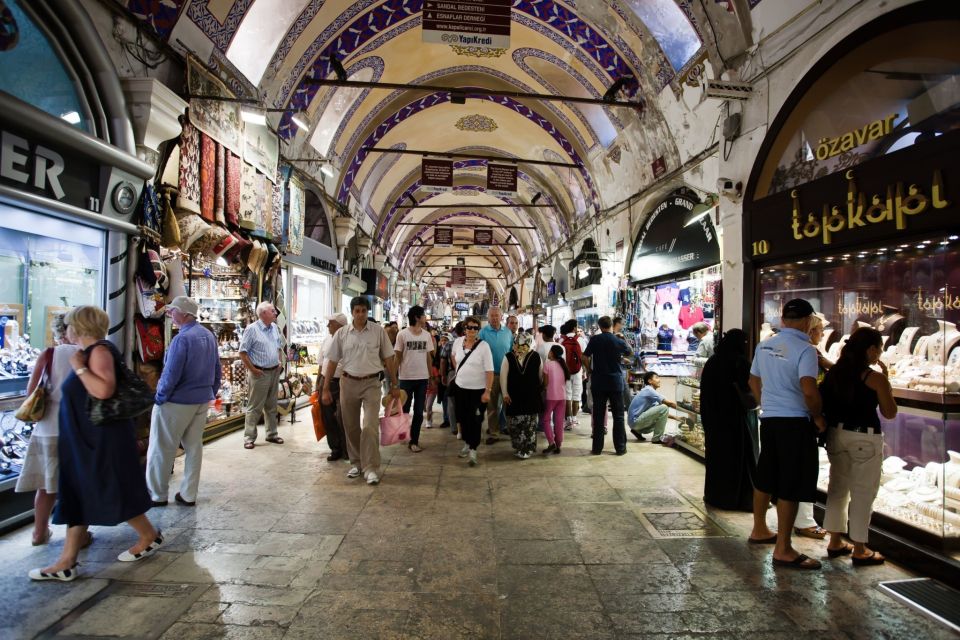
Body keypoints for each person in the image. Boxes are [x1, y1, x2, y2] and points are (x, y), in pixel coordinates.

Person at [30, 306, 162, 582]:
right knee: (79, 494)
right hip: (86, 439)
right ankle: (67, 561)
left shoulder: (98, 352)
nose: (66, 330)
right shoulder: (90, 352)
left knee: (107, 488)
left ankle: (148, 535)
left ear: (79, 327)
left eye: (68, 325)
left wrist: (78, 368)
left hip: (101, 439)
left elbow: (103, 390)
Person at [747, 298, 825, 570]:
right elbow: (808, 388)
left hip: (769, 419)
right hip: (794, 422)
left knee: (766, 474)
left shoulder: (765, 344)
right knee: (790, 483)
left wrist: (764, 402)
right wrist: (817, 415)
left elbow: (753, 379)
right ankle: (783, 548)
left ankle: (759, 529)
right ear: (807, 321)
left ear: (784, 320)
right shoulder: (806, 349)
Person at [821, 327, 897, 565]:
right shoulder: (874, 378)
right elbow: (890, 412)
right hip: (864, 438)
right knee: (863, 492)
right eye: (879, 350)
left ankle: (834, 540)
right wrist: (887, 384)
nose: (879, 354)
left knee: (837, 489)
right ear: (871, 349)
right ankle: (860, 548)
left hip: (837, 434)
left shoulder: (835, 373)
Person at [146, 296, 221, 507]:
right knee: (194, 447)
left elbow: (171, 374)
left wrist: (160, 397)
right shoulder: (208, 335)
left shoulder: (182, 339)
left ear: (186, 314)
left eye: (173, 310)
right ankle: (189, 493)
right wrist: (210, 392)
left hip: (177, 401)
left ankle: (157, 494)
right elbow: (217, 370)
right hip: (200, 400)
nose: (170, 314)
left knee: (162, 447)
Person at [15, 313, 79, 546]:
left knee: (45, 486)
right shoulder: (84, 355)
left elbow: (31, 391)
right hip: (74, 430)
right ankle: (78, 537)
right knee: (75, 485)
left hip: (46, 428)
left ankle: (39, 532)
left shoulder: (48, 354)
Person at [322, 296, 399, 486]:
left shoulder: (378, 332)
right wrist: (325, 388)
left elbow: (389, 358)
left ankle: (371, 467)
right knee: (351, 426)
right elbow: (332, 361)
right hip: (347, 383)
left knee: (370, 426)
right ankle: (356, 463)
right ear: (352, 312)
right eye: (357, 311)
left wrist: (395, 384)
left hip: (372, 383)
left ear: (368, 312)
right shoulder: (342, 334)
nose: (360, 314)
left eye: (364, 311)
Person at [700, 329, 758, 512]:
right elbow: (748, 388)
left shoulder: (713, 361)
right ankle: (738, 499)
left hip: (714, 419)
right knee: (739, 457)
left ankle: (716, 495)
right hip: (734, 419)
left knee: (718, 457)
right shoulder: (739, 362)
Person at [583, 316, 633, 455]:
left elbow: (584, 357)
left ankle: (597, 448)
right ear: (612, 325)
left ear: (600, 326)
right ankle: (620, 448)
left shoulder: (595, 340)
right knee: (618, 416)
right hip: (615, 382)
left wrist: (589, 371)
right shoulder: (617, 340)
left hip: (599, 381)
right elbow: (630, 352)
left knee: (598, 416)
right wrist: (623, 339)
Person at [239, 301, 284, 450]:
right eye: (272, 311)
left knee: (271, 406)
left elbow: (278, 347)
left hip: (273, 371)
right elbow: (243, 352)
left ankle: (271, 434)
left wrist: (279, 361)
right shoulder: (252, 329)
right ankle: (249, 437)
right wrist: (252, 369)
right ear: (263, 313)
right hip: (259, 372)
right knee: (255, 407)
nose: (275, 313)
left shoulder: (274, 328)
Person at [452, 316, 494, 466]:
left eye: (476, 328)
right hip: (460, 388)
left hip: (478, 390)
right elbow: (454, 358)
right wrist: (460, 373)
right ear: (464, 328)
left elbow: (489, 371)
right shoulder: (457, 342)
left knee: (475, 420)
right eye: (469, 327)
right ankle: (467, 443)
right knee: (462, 418)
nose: (472, 330)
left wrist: (487, 391)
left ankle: (473, 450)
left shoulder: (484, 346)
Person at [395, 305, 435, 453]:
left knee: (419, 411)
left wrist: (431, 376)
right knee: (404, 410)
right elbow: (397, 357)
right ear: (417, 317)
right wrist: (394, 379)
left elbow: (428, 358)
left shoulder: (426, 335)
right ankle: (403, 433)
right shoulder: (402, 335)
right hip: (405, 378)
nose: (425, 318)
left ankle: (414, 440)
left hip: (422, 378)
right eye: (423, 315)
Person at [500, 332, 543, 459]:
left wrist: (537, 388)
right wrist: (505, 393)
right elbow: (503, 377)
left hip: (531, 395)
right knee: (515, 422)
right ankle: (520, 447)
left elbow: (540, 376)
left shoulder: (535, 356)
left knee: (530, 423)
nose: (521, 346)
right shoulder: (508, 357)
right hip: (514, 396)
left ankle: (527, 448)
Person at [478, 307, 512, 444]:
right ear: (488, 317)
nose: (494, 318)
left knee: (508, 404)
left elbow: (511, 352)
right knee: (492, 406)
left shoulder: (508, 332)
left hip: (506, 375)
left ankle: (509, 428)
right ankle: (494, 433)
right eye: (491, 316)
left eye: (496, 315)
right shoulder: (483, 332)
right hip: (490, 375)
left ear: (501, 316)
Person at [317, 313, 348, 461]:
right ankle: (335, 447)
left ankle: (348, 448)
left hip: (343, 382)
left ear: (339, 325)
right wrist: (320, 382)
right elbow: (322, 362)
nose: (328, 326)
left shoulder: (347, 339)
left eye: (331, 323)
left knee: (344, 417)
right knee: (328, 416)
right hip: (326, 381)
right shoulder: (327, 339)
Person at [627, 372, 676, 444]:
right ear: (649, 381)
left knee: (663, 414)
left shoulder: (649, 392)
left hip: (634, 423)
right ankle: (657, 438)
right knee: (664, 407)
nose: (659, 380)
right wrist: (684, 408)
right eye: (656, 378)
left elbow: (662, 413)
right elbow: (669, 404)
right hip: (635, 421)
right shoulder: (649, 390)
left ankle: (637, 431)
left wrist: (677, 418)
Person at [542, 345, 569, 455]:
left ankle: (551, 442)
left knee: (546, 419)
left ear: (552, 353)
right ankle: (558, 445)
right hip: (562, 397)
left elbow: (545, 383)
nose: (548, 353)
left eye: (549, 351)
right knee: (559, 421)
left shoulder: (547, 365)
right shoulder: (563, 366)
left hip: (551, 396)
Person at [559, 320, 584, 431]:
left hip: (565, 371)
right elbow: (584, 356)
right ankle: (574, 418)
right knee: (577, 395)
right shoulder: (581, 340)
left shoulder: (561, 340)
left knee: (567, 395)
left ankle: (568, 420)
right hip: (578, 371)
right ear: (574, 328)